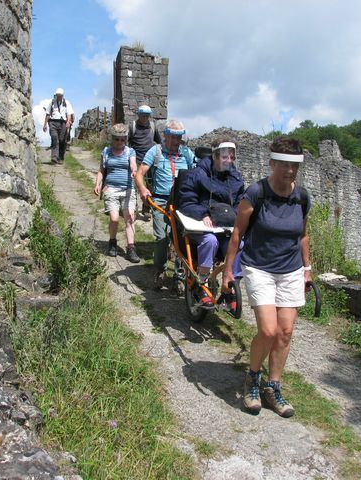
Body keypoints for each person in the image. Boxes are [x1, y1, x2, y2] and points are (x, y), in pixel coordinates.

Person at [222, 136, 312, 417]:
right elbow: (237, 233)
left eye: (293, 166)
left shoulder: (302, 197)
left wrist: (307, 269)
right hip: (259, 267)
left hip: (291, 270)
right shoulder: (256, 193)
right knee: (269, 330)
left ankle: (273, 387)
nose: (289, 171)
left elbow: (303, 234)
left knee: (285, 332)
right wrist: (228, 270)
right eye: (283, 165)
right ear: (272, 163)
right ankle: (252, 378)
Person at [177, 138, 246, 308]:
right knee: (209, 241)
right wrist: (202, 214)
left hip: (224, 227)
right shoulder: (197, 175)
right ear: (214, 156)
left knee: (240, 244)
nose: (228, 160)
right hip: (200, 226)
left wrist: (234, 216)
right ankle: (203, 283)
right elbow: (186, 201)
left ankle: (229, 283)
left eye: (231, 157)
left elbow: (240, 202)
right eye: (224, 156)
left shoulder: (235, 179)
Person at [135, 119, 196, 289]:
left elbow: (199, 171)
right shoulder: (156, 151)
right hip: (160, 201)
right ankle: (160, 271)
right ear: (166, 136)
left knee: (181, 239)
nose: (177, 141)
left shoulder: (187, 153)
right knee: (162, 238)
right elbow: (140, 174)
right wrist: (143, 190)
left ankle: (179, 276)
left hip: (181, 201)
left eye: (179, 137)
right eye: (174, 137)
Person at [93, 124, 140, 263]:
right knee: (114, 218)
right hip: (111, 189)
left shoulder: (130, 152)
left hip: (128, 189)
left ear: (125, 140)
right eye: (116, 139)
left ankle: (131, 248)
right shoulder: (106, 152)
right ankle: (112, 242)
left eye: (122, 139)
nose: (119, 142)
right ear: (112, 138)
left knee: (130, 217)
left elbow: (133, 164)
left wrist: (134, 171)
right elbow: (101, 170)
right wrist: (97, 184)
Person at [128, 105, 162, 220]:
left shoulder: (152, 126)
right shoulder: (132, 126)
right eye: (143, 115)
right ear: (138, 115)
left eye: (147, 116)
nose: (144, 118)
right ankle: (133, 208)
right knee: (135, 185)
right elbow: (127, 142)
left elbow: (159, 142)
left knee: (150, 185)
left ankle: (146, 209)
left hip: (150, 161)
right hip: (136, 159)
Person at [42, 88, 74, 165]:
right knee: (54, 138)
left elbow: (69, 113)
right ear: (55, 95)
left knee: (62, 140)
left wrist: (68, 122)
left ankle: (60, 156)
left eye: (60, 96)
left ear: (62, 96)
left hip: (63, 122)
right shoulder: (52, 102)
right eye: (57, 95)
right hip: (53, 122)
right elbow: (48, 114)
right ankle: (54, 157)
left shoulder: (67, 103)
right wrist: (45, 124)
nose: (59, 97)